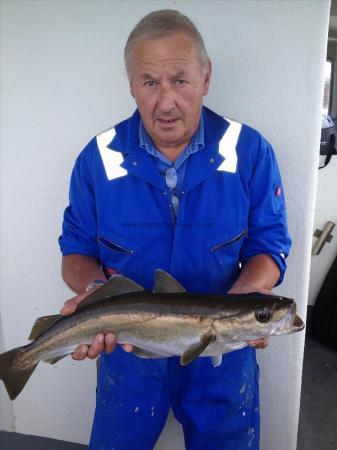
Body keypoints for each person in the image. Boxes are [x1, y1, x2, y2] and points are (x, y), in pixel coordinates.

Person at [59, 9, 291, 450]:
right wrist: (95, 291)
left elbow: (269, 246)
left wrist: (240, 309)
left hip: (223, 358)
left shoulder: (250, 151)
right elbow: (75, 250)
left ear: (206, 77)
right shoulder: (97, 158)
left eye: (180, 80)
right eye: (150, 82)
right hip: (125, 349)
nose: (165, 102)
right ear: (131, 85)